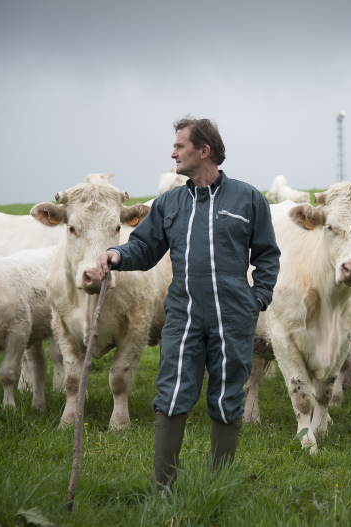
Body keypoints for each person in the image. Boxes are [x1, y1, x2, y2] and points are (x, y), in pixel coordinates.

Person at [95, 116, 280, 489]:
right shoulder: (169, 203)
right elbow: (145, 247)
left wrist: (257, 299)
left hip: (233, 314)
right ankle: (163, 488)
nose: (173, 152)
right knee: (173, 390)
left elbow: (267, 254)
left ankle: (218, 486)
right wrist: (117, 254)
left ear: (204, 151)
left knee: (228, 391)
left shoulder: (247, 199)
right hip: (183, 312)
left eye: (180, 146)